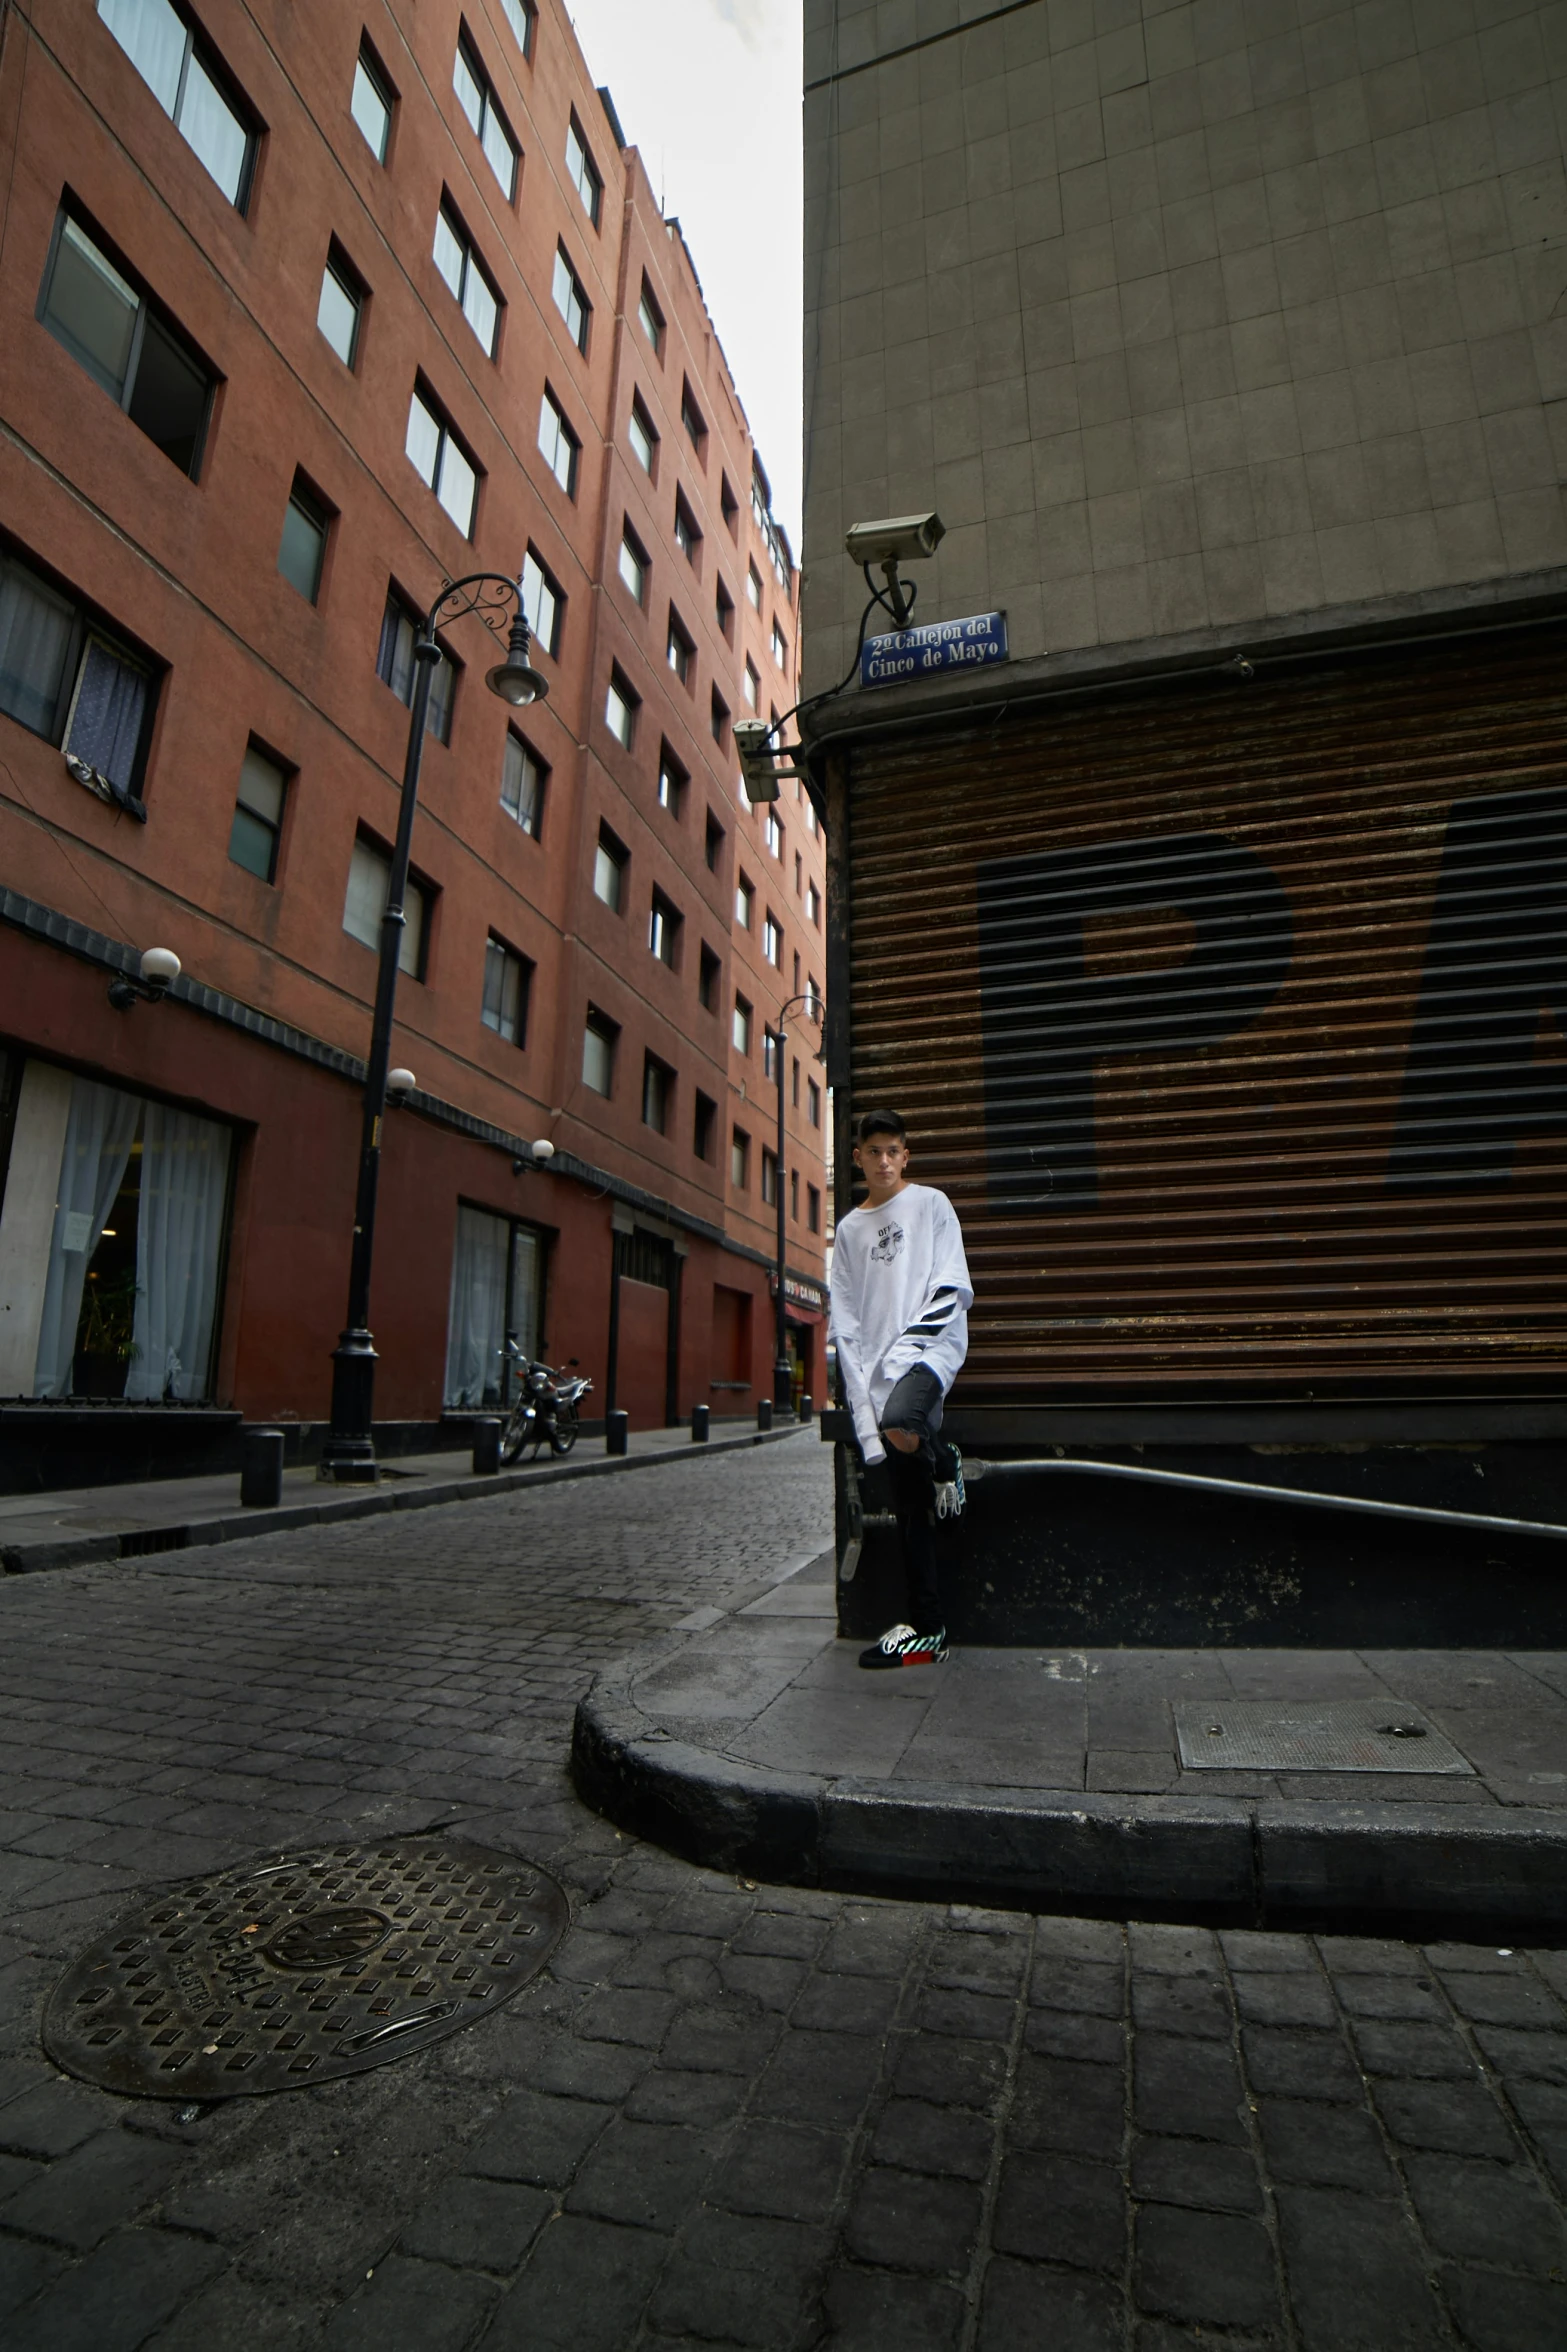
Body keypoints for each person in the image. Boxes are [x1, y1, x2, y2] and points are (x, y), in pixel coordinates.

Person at [829, 1108, 973, 1668]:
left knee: (901, 1421)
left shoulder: (931, 1204)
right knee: (911, 1507)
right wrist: (862, 1385)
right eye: (874, 1151)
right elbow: (845, 1319)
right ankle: (929, 1629)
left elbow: (952, 1282)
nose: (884, 1160)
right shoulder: (847, 1230)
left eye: (894, 1151)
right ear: (859, 1157)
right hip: (880, 1372)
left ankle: (944, 1463)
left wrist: (903, 1353)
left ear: (905, 1155)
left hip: (931, 1350)